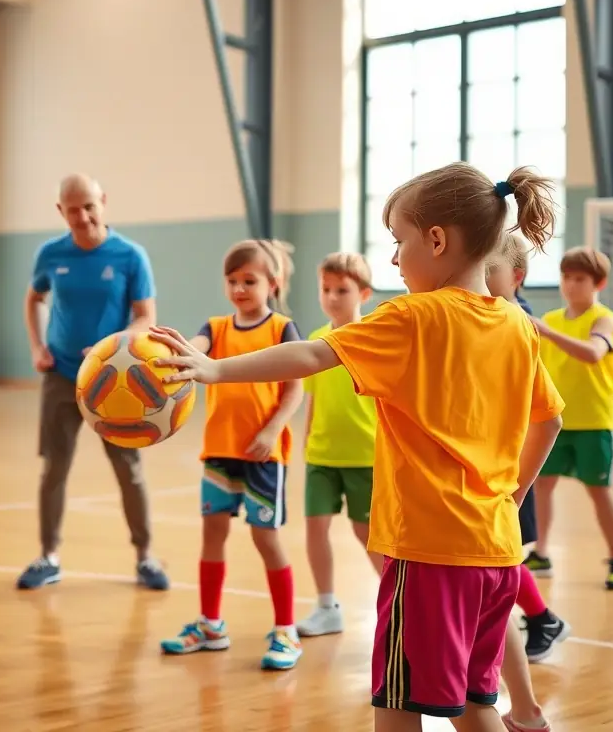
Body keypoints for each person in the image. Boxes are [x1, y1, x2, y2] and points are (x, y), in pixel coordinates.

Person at [150, 163, 565, 732]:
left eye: (400, 241)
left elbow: (311, 356)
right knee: (476, 706)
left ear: (437, 240)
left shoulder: (414, 316)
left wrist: (215, 369)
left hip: (429, 555)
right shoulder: (517, 325)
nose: (394, 259)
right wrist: (514, 493)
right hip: (495, 553)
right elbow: (550, 420)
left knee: (395, 709)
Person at [18, 173, 168, 592]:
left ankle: (145, 557)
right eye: (72, 209)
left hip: (114, 382)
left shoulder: (130, 256)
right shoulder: (51, 254)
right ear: (60, 211)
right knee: (54, 469)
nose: (82, 216)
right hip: (61, 376)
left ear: (103, 201)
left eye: (89, 206)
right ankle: (48, 556)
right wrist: (36, 346)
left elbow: (145, 317)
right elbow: (33, 299)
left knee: (129, 470)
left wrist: (111, 347)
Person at [159, 239, 303, 670]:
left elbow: (296, 385)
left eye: (250, 280)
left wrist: (274, 427)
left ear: (272, 284)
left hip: (263, 455)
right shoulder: (217, 327)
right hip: (220, 452)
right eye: (233, 281)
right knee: (212, 536)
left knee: (266, 538)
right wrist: (130, 353)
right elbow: (191, 348)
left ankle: (285, 630)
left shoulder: (281, 329)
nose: (240, 288)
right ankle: (210, 624)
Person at [485, 234, 566, 732]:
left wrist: (516, 486)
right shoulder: (489, 317)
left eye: (488, 269)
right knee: (502, 568)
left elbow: (546, 417)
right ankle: (540, 622)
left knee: (505, 564)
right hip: (495, 470)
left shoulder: (514, 322)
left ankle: (542, 619)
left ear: (514, 277)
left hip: (511, 469)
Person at [526, 246, 613, 591]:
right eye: (566, 277)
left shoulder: (604, 319)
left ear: (597, 283)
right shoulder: (552, 319)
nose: (571, 285)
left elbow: (593, 353)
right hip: (556, 420)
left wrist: (548, 333)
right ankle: (541, 551)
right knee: (543, 486)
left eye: (580, 279)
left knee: (599, 490)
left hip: (595, 421)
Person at [297, 251, 383, 639]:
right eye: (326, 289)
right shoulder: (315, 340)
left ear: (363, 293)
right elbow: (313, 398)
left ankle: (399, 602)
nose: (332, 297)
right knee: (315, 529)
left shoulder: (375, 340)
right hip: (322, 456)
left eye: (342, 290)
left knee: (366, 535)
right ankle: (327, 605)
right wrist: (308, 440)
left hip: (365, 457)